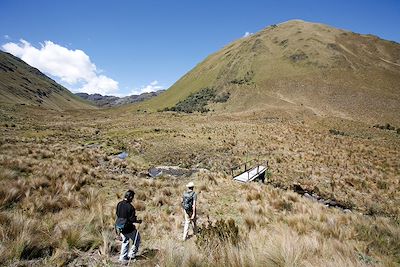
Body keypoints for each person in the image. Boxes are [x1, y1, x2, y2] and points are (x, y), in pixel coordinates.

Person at [115, 190, 141, 263]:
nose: (132, 199)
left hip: (120, 227)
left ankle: (122, 257)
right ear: (130, 197)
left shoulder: (119, 204)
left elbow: (117, 214)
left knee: (125, 241)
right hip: (128, 228)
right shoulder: (130, 207)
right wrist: (138, 221)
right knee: (137, 239)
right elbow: (132, 219)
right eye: (132, 197)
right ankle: (131, 255)